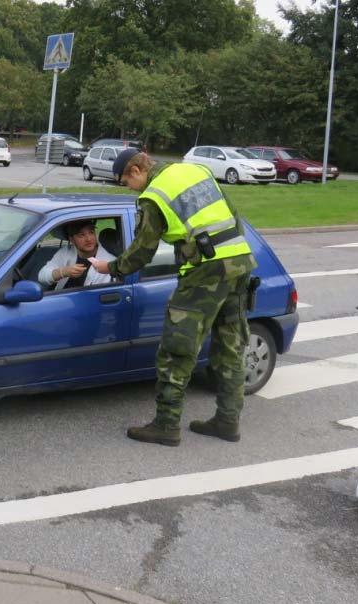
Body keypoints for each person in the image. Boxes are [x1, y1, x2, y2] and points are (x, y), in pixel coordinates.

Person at [91, 149, 256, 447]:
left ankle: (166, 425)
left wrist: (111, 267)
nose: (129, 189)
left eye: (125, 182)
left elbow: (142, 251)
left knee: (176, 349)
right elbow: (233, 216)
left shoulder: (154, 196)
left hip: (205, 270)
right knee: (231, 346)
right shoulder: (196, 170)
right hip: (240, 262)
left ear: (136, 171)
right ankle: (227, 421)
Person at [38, 219, 116, 289]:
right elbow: (42, 276)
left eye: (91, 232)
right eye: (81, 235)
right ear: (72, 239)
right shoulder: (66, 252)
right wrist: (63, 272)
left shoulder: (108, 262)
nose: (88, 239)